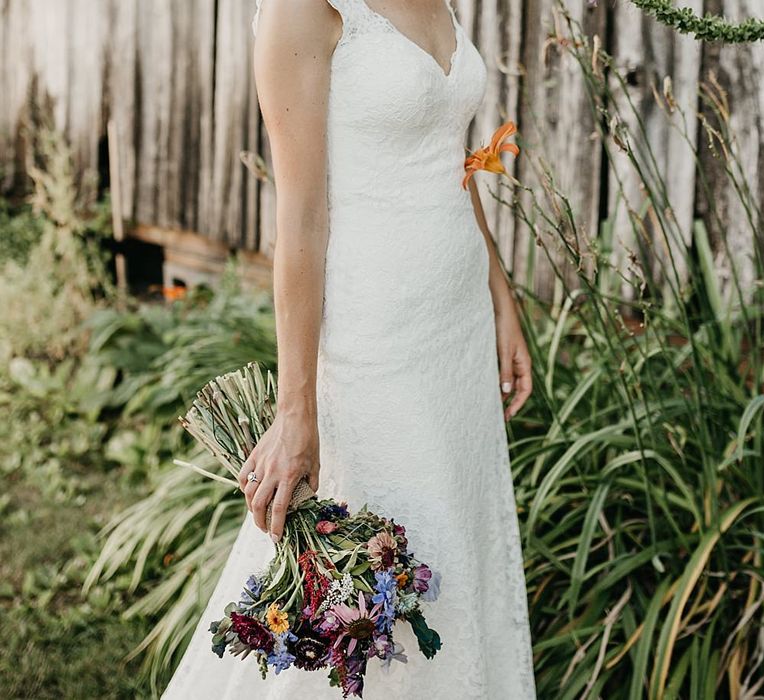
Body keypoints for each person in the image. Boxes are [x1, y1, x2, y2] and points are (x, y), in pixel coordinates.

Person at [162, 1, 537, 697]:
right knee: (378, 583)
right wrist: (296, 410)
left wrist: (500, 297)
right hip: (378, 342)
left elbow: (451, 155)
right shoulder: (302, 10)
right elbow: (300, 219)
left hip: (455, 334)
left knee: (455, 547)